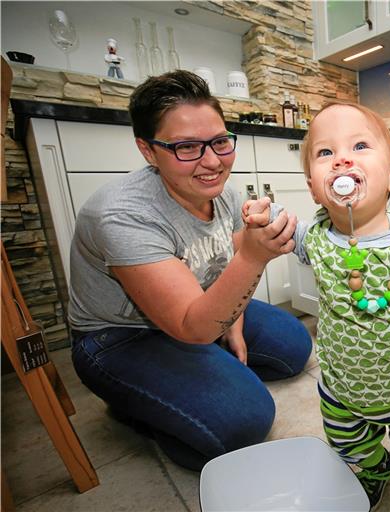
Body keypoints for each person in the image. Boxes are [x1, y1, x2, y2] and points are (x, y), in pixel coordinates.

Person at [68, 70, 313, 471]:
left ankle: (189, 382)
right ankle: (140, 405)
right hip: (120, 337)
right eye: (187, 147)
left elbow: (226, 267)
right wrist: (254, 257)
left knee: (294, 347)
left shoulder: (225, 193)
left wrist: (231, 319)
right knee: (244, 419)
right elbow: (193, 324)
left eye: (219, 141)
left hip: (196, 304)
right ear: (148, 150)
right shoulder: (121, 214)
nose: (213, 162)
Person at [244, 100, 390, 509]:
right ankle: (375, 468)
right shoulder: (314, 237)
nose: (342, 160)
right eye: (325, 153)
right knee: (348, 443)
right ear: (314, 187)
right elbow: (283, 224)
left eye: (360, 147)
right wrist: (264, 213)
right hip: (340, 388)